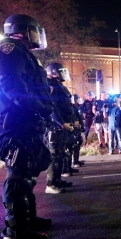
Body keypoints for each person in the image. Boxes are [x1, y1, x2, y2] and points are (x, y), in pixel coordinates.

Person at [0, 13, 53, 239]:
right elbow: (13, 87)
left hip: (26, 122)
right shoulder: (10, 49)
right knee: (17, 175)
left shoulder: (22, 52)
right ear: (23, 30)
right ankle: (16, 233)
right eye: (35, 31)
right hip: (15, 123)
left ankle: (28, 221)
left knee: (28, 174)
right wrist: (41, 107)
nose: (38, 36)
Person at [45, 62, 76, 193]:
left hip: (63, 125)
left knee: (61, 154)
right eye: (61, 71)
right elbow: (52, 107)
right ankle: (51, 184)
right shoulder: (50, 85)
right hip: (55, 126)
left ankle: (57, 180)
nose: (63, 74)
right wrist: (61, 123)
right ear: (54, 72)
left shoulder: (58, 85)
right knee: (54, 156)